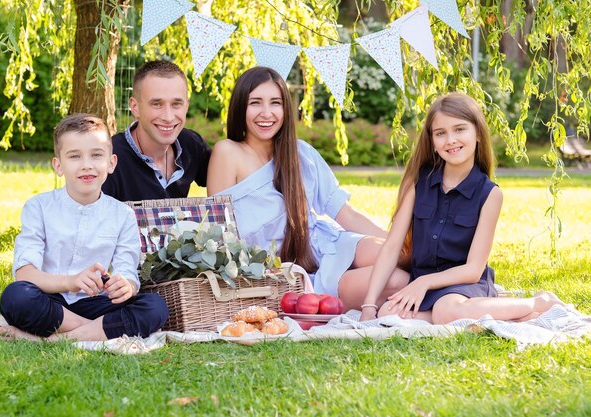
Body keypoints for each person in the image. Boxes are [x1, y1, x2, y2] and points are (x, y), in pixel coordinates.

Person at [207, 66, 408, 311]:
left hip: (326, 244)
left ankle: (456, 280)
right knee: (397, 280)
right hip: (291, 273)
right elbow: (220, 234)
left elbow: (346, 214)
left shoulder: (300, 152)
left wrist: (398, 242)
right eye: (255, 103)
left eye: (275, 103)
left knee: (402, 254)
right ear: (241, 107)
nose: (267, 113)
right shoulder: (228, 152)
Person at [360, 93, 563, 323]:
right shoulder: (418, 183)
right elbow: (391, 247)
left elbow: (473, 269)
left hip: (465, 284)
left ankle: (536, 303)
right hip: (422, 284)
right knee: (388, 313)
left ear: (477, 133)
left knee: (448, 310)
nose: (450, 140)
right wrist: (369, 304)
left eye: (459, 129)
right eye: (440, 133)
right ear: (432, 142)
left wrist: (424, 282)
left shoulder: (490, 194)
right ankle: (488, 313)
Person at [0, 114, 168, 341]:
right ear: (58, 165)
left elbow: (128, 273)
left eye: (96, 155)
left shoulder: (123, 215)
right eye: (74, 156)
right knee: (16, 297)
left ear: (111, 163)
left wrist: (125, 286)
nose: (87, 165)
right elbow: (25, 274)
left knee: (155, 307)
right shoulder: (38, 206)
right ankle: (98, 331)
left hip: (97, 302)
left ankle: (52, 339)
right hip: (51, 300)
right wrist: (72, 281)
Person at [102, 60, 211, 201]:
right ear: (135, 107)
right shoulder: (109, 157)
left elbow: (232, 179)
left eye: (176, 104)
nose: (168, 117)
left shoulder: (191, 144)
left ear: (186, 105)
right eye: (156, 104)